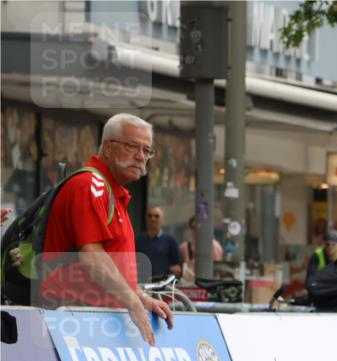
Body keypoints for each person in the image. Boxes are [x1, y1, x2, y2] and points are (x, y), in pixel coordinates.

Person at [39, 113, 172, 346]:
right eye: (132, 147)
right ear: (108, 147)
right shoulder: (90, 186)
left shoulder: (111, 191)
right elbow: (92, 256)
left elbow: (111, 263)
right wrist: (131, 300)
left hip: (90, 321)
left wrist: (139, 296)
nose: (141, 157)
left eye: (147, 150)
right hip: (72, 321)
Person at [135, 206, 181, 280]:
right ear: (146, 219)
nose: (152, 219)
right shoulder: (137, 240)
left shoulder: (170, 240)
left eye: (156, 216)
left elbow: (177, 267)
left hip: (162, 285)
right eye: (149, 216)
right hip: (141, 284)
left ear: (162, 219)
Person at [180, 216, 224, 282]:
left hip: (210, 283)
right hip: (190, 285)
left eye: (199, 227)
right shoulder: (184, 247)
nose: (196, 230)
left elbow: (218, 269)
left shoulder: (215, 246)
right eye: (193, 227)